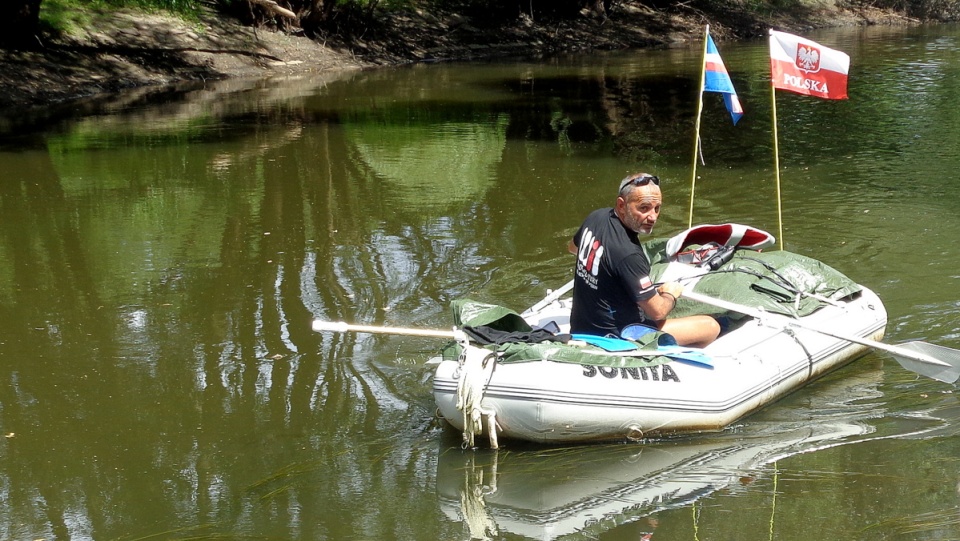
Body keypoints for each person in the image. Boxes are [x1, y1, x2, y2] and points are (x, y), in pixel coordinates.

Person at [567, 172, 720, 348]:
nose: (653, 217)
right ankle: (665, 359)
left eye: (657, 208)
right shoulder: (629, 254)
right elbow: (657, 312)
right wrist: (670, 293)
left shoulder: (596, 217)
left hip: (580, 326)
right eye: (644, 208)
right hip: (617, 336)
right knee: (710, 326)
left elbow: (573, 248)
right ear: (621, 205)